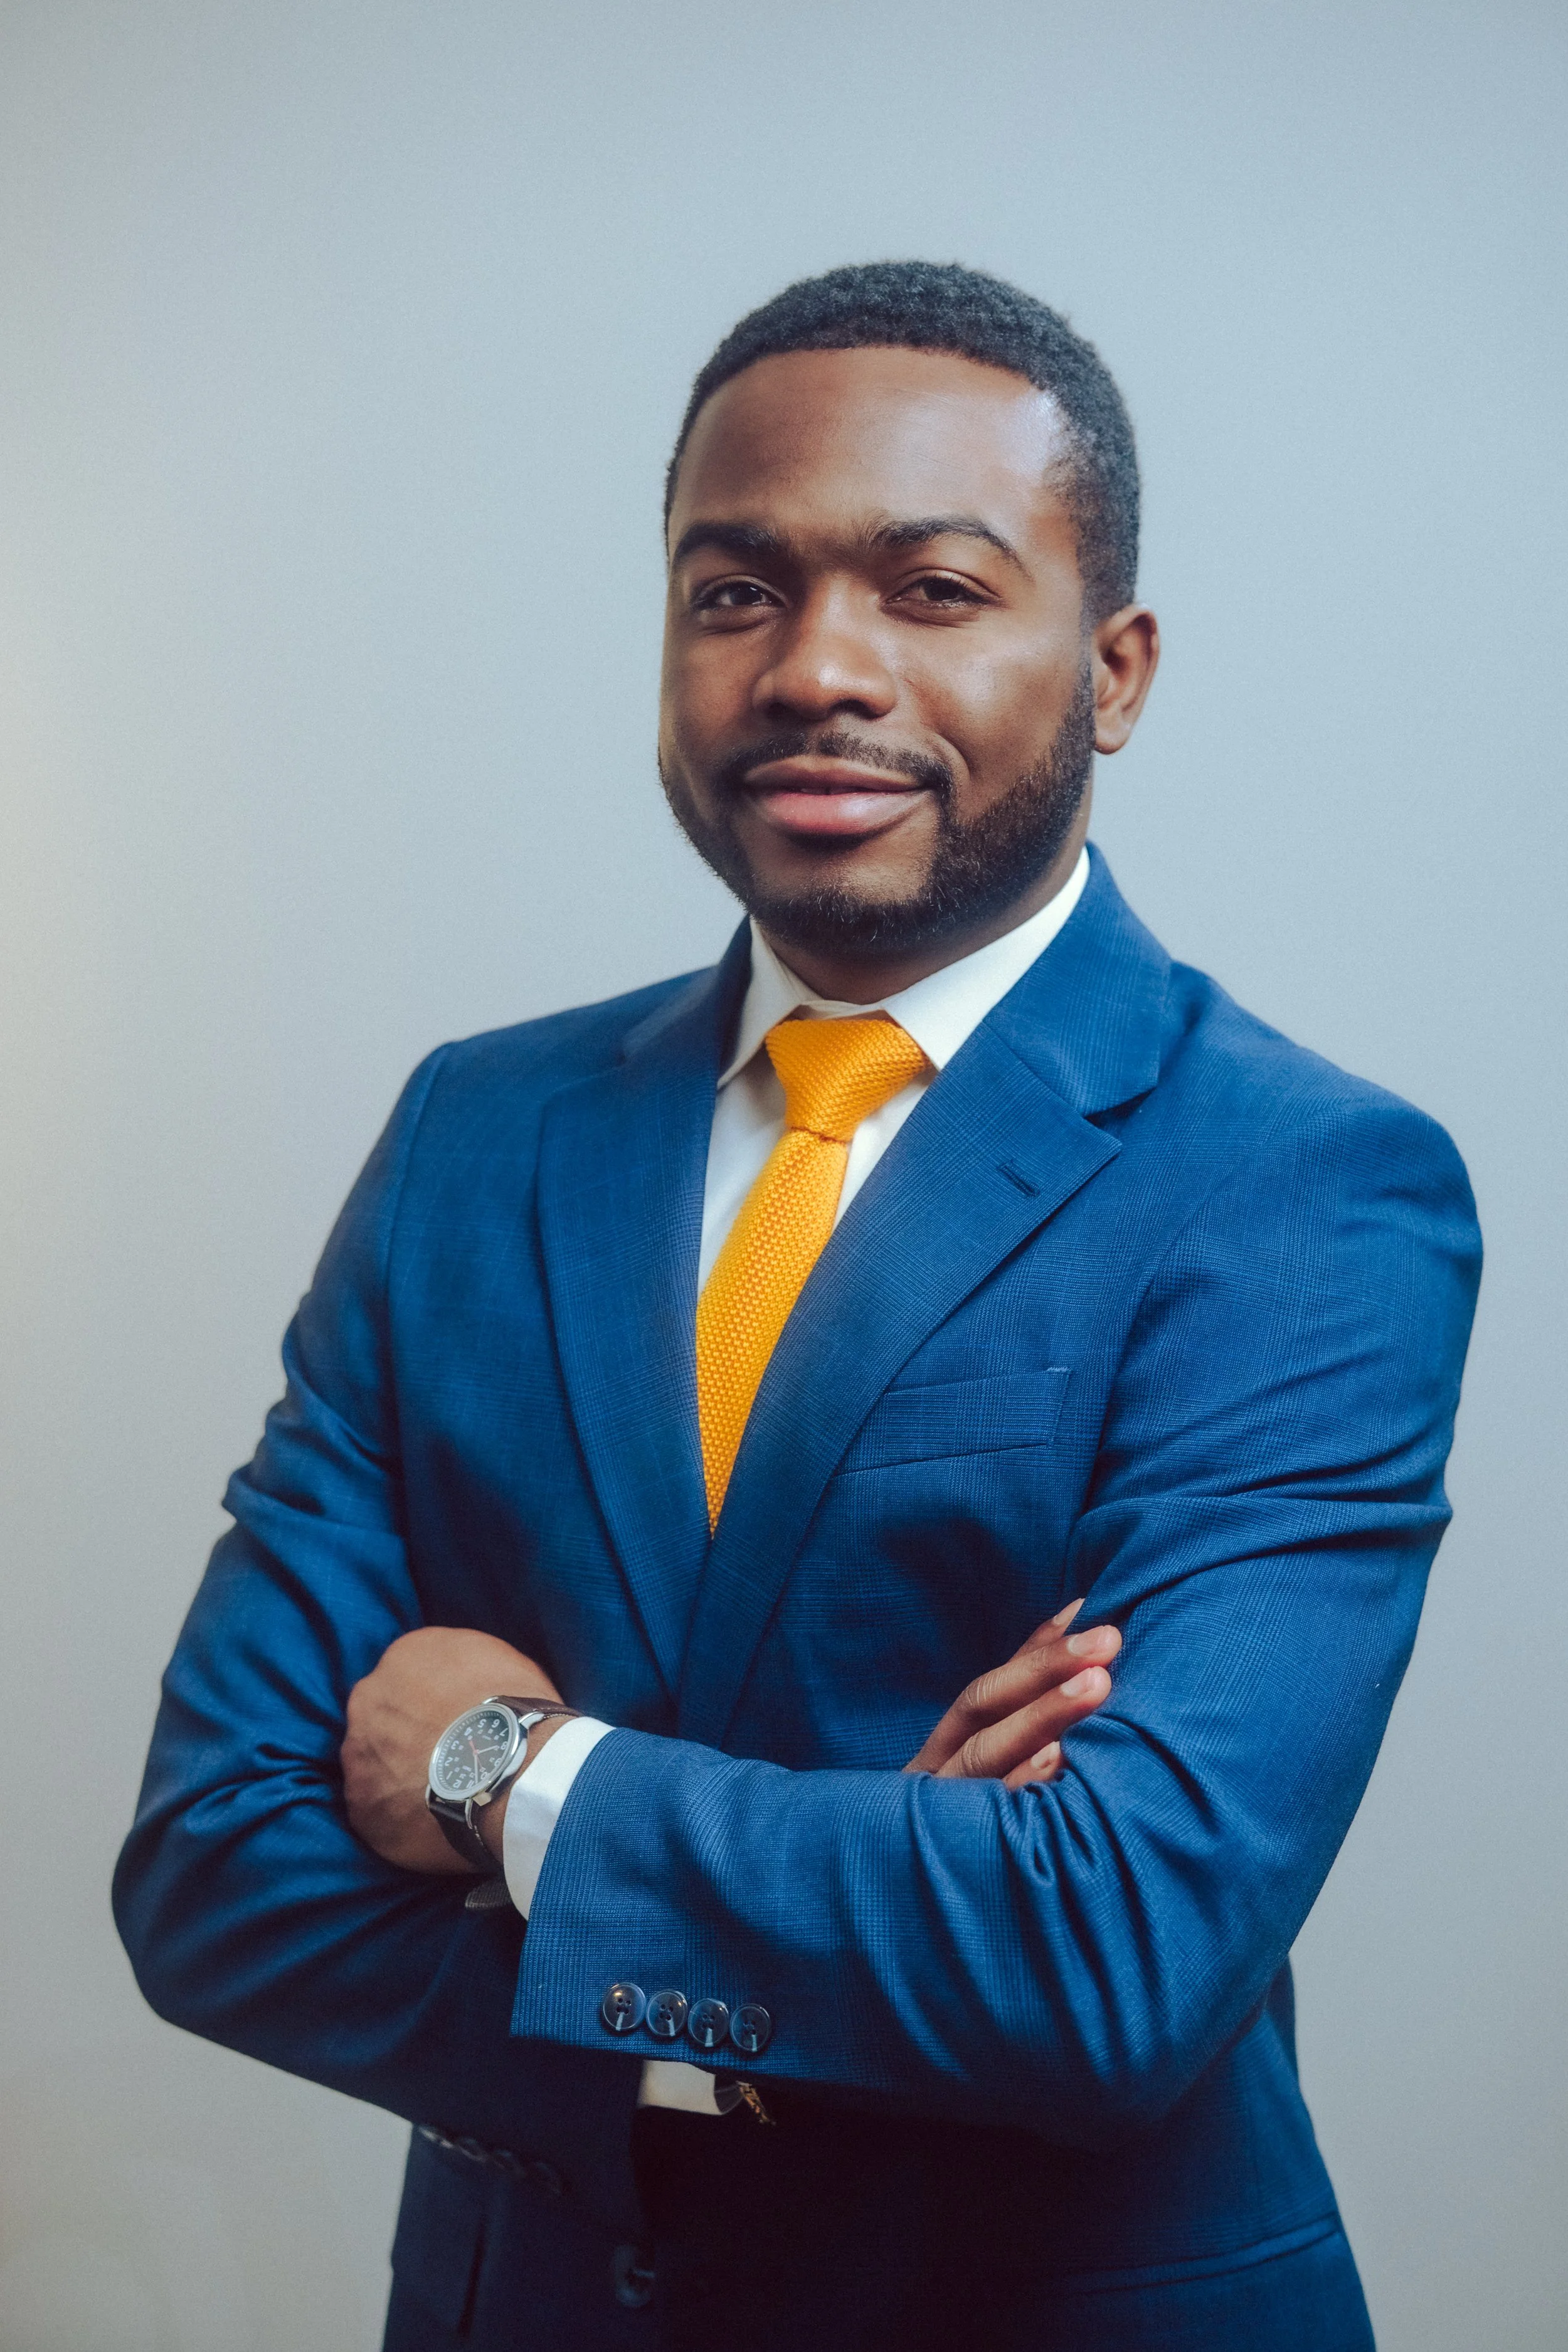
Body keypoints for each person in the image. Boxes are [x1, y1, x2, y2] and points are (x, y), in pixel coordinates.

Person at [114, 262, 1481, 2352]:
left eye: (933, 589)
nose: (816, 669)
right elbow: (214, 1865)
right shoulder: (482, 1131)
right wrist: (840, 1973)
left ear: (1112, 669)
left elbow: (1108, 1956)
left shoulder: (1302, 1185)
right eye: (734, 592)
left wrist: (501, 1774)